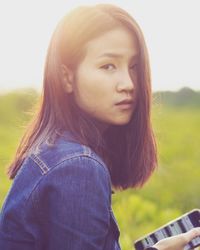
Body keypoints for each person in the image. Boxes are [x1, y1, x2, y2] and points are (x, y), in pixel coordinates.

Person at [0, 3, 200, 250]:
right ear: (67, 77)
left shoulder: (56, 149)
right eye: (108, 66)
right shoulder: (78, 166)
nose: (128, 83)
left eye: (134, 67)